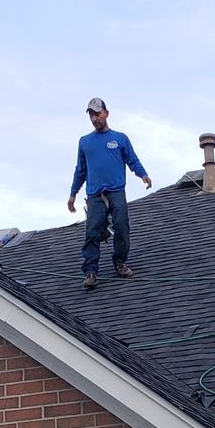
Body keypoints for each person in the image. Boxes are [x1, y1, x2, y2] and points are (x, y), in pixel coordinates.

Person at [67, 99, 152, 289]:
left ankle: (119, 262)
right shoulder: (85, 142)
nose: (94, 119)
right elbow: (81, 170)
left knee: (121, 226)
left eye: (97, 114)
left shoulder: (120, 139)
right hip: (95, 195)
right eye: (91, 115)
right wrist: (73, 194)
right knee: (92, 231)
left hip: (116, 191)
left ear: (106, 113)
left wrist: (143, 174)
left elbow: (132, 160)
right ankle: (90, 271)